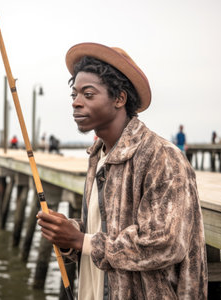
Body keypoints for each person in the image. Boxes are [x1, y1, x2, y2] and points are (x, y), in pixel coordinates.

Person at [37, 42, 207, 299]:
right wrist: (68, 232)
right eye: (74, 95)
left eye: (88, 94)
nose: (76, 103)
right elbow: (107, 227)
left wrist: (80, 240)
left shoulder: (162, 157)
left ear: (119, 99)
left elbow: (166, 244)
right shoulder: (98, 156)